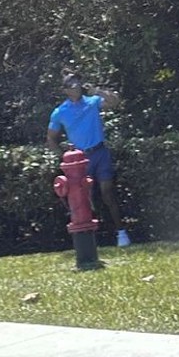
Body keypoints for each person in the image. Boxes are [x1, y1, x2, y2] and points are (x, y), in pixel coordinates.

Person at [46, 70, 131, 247]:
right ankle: (91, 239)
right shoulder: (60, 112)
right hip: (80, 160)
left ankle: (121, 233)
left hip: (100, 152)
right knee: (84, 199)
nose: (75, 87)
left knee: (107, 192)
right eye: (71, 85)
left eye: (77, 83)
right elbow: (51, 139)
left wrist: (97, 91)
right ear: (65, 90)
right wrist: (65, 158)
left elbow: (115, 101)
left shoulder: (92, 102)